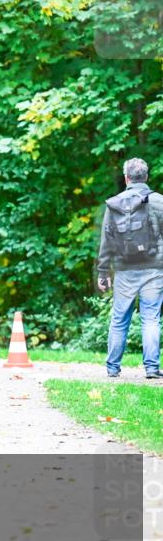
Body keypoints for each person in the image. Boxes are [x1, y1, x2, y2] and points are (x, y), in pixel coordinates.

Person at [96, 157, 162, 379]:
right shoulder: (159, 201)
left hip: (124, 270)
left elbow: (106, 240)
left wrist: (103, 271)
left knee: (119, 318)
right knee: (151, 317)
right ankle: (152, 368)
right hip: (155, 269)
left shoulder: (115, 204)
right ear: (146, 176)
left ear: (126, 178)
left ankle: (113, 368)